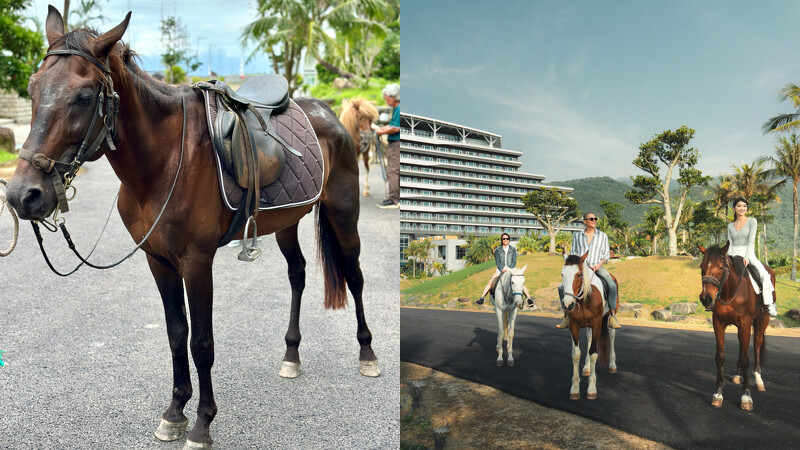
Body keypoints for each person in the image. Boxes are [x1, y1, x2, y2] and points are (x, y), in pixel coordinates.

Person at [556, 212, 621, 329]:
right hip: (581, 268)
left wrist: (599, 264)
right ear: (585, 221)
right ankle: (566, 316)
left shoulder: (602, 235)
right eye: (591, 219)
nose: (594, 220)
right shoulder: (577, 236)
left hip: (597, 267)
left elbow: (606, 254)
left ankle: (612, 316)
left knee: (612, 285)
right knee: (561, 287)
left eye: (595, 218)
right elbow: (574, 253)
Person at [727, 197, 777, 317]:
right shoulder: (730, 226)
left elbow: (751, 241)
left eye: (744, 206)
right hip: (733, 254)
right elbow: (729, 243)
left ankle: (769, 304)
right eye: (739, 206)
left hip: (748, 253)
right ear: (734, 208)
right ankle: (715, 302)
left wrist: (747, 257)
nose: (742, 208)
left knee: (765, 275)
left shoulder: (752, 221)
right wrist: (728, 257)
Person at [476, 233, 533, 309]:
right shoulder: (498, 250)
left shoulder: (513, 249)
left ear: (509, 240)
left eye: (507, 238)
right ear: (502, 240)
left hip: (512, 269)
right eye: (504, 239)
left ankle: (528, 299)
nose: (505, 240)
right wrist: (501, 269)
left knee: (519, 283)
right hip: (500, 270)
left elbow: (514, 261)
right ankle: (482, 298)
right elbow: (497, 262)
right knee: (491, 282)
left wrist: (509, 269)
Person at [376, 83, 400, 209]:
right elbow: (392, 125)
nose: (386, 100)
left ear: (393, 97)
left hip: (396, 144)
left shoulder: (399, 109)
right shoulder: (397, 109)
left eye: (386, 98)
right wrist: (381, 129)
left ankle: (393, 199)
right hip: (395, 143)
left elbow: (395, 128)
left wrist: (381, 132)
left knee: (392, 171)